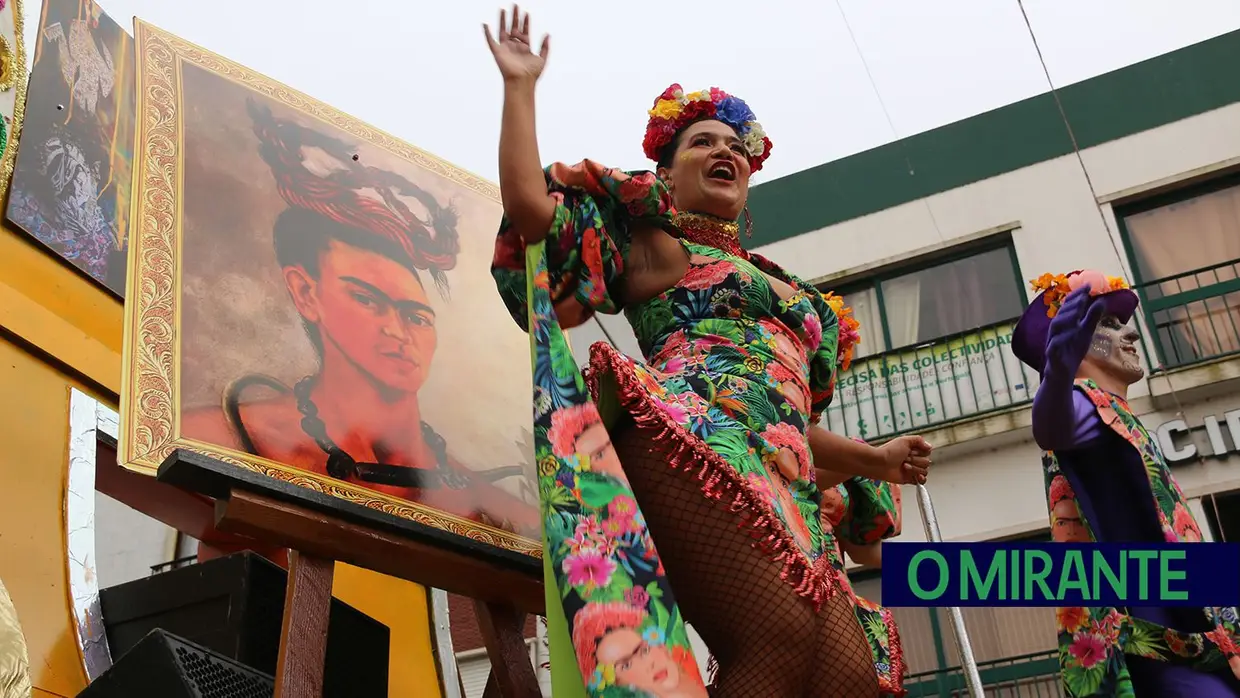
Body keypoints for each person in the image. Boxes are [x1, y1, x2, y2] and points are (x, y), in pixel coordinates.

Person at [484, 7, 930, 696]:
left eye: (735, 145)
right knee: (775, 638)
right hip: (694, 437)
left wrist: (876, 460)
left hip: (784, 473)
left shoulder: (792, 294)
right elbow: (533, 209)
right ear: (664, 173)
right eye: (701, 142)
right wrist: (520, 88)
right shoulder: (660, 247)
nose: (726, 151)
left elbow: (782, 422)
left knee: (845, 678)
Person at [181, 100, 539, 539]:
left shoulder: (501, 513)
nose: (397, 331)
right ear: (306, 291)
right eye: (367, 299)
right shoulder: (211, 437)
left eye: (416, 316)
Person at [1012, 269, 1240, 697]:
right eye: (1108, 325)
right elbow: (1052, 427)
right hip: (1158, 645)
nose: (1129, 333)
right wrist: (1058, 371)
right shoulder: (1083, 403)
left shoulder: (1119, 415)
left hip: (1198, 640)